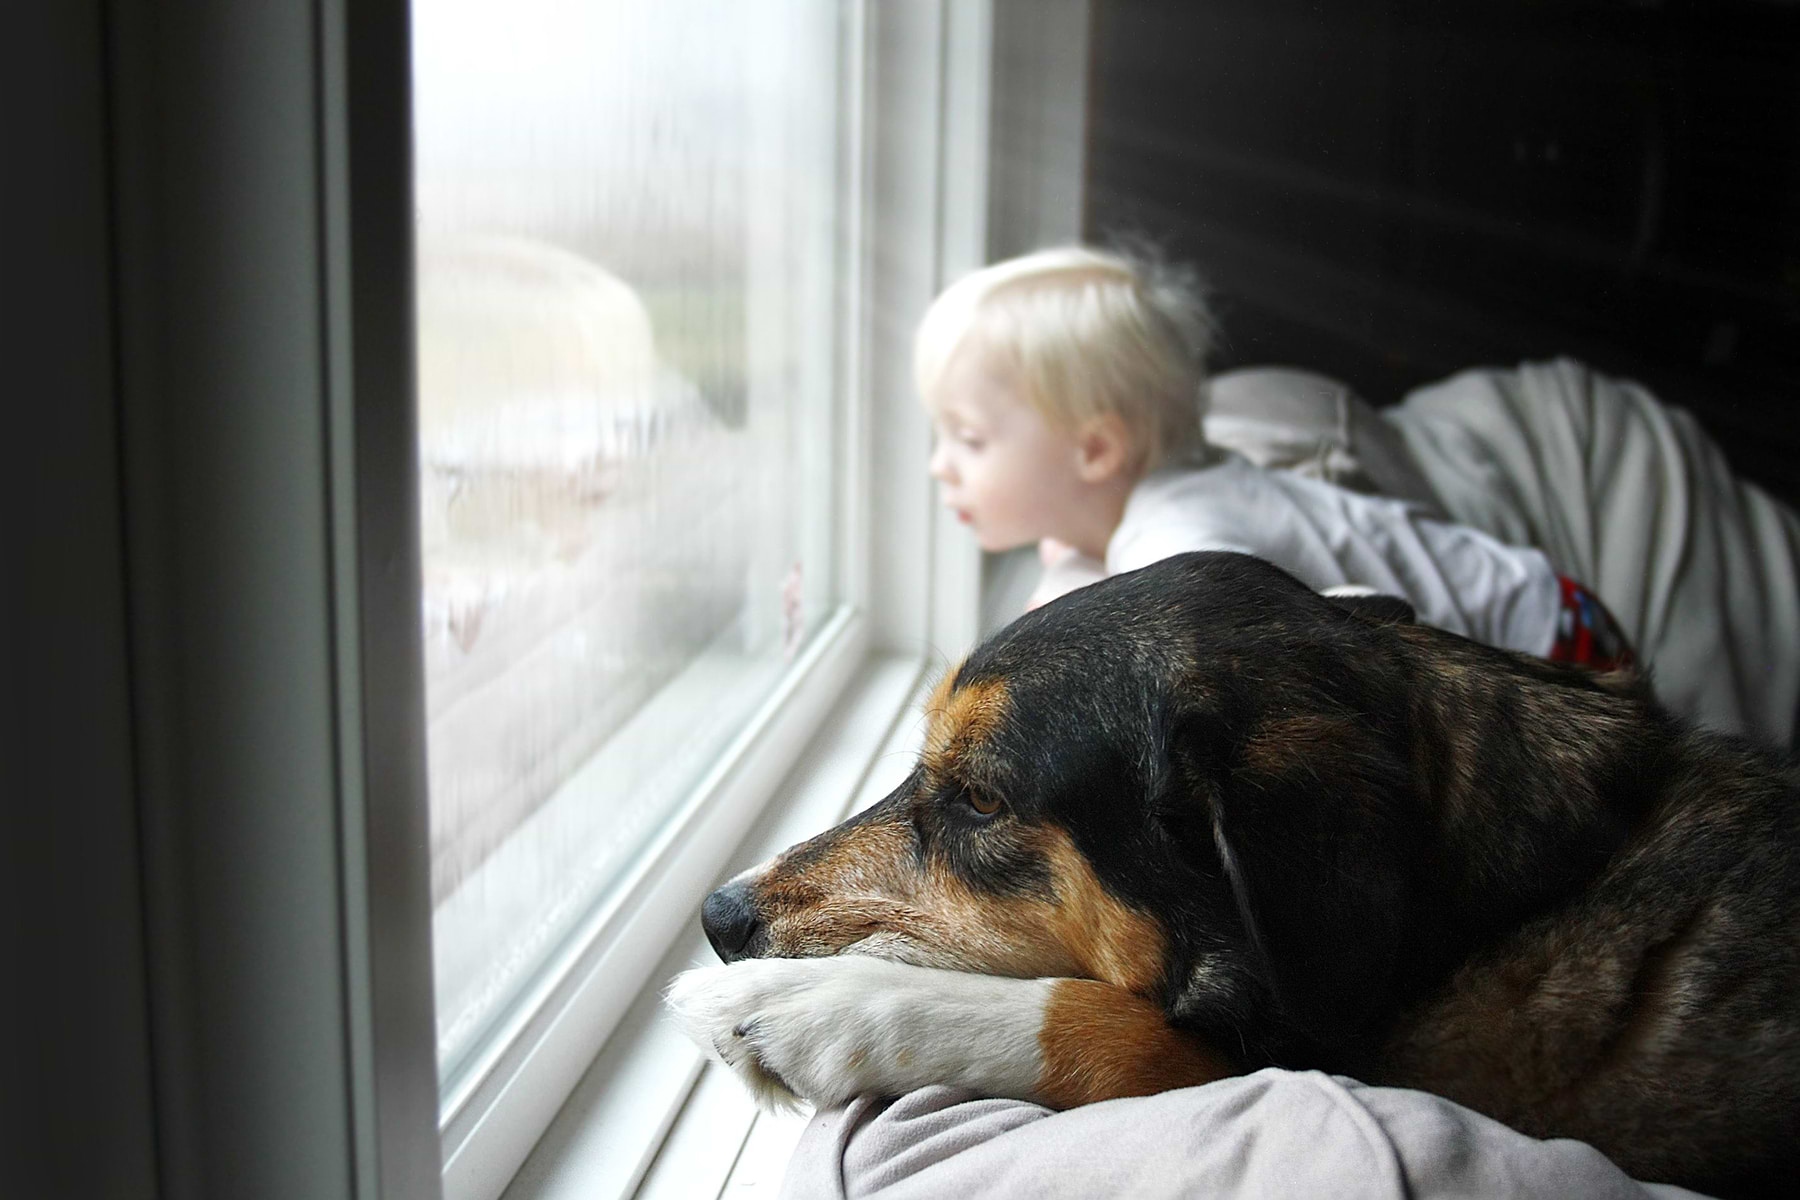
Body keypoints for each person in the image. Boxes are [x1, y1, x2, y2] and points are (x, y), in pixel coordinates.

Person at [915, 245, 1633, 668]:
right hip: (1553, 600)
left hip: (1553, 645)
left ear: (1097, 450)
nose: (938, 465)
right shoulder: (1141, 501)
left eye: (969, 439)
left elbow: (1299, 656)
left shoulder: (1182, 540)